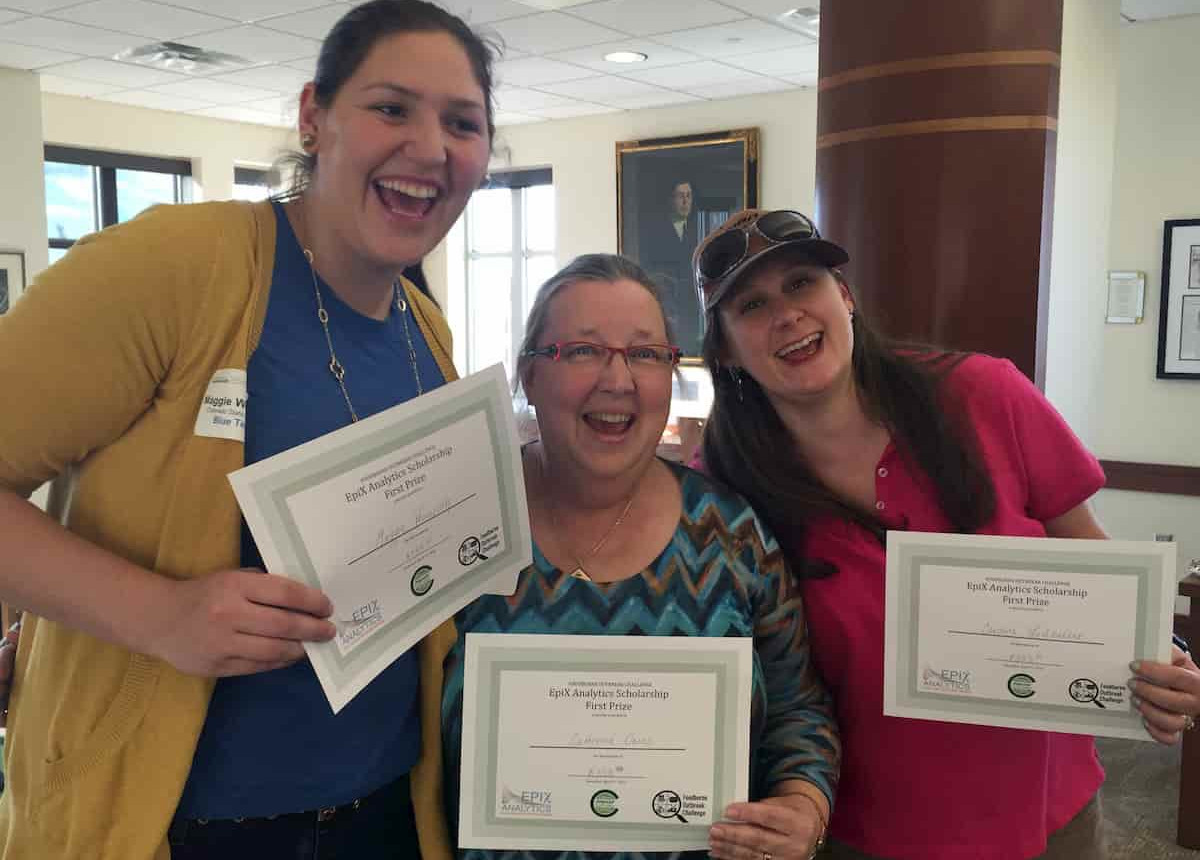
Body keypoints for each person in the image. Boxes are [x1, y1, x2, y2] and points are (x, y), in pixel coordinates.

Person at [0, 2, 494, 856]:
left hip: (384, 813)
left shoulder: (427, 330)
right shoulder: (179, 268)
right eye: (390, 107)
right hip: (176, 824)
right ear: (313, 117)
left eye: (463, 123)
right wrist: (160, 614)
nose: (430, 148)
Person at [690, 209, 1200, 860]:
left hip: (1046, 816)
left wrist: (1162, 657)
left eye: (801, 284)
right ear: (726, 348)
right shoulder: (722, 490)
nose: (786, 314)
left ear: (844, 297)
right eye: (751, 305)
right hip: (860, 834)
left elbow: (1091, 561)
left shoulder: (983, 395)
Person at [420, 254, 840, 860]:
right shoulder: (459, 524)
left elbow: (799, 711)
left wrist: (804, 806)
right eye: (583, 351)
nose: (618, 379)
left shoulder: (731, 534)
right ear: (529, 376)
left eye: (645, 354)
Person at [642, 181, 704, 354]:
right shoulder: (654, 230)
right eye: (680, 196)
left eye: (688, 196)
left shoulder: (697, 229)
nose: (685, 201)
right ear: (671, 200)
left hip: (690, 305)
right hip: (667, 302)